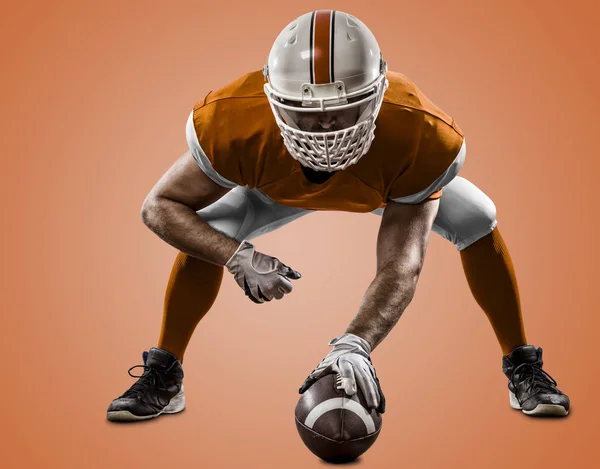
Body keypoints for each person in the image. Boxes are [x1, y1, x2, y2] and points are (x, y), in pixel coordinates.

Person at [106, 10, 569, 422]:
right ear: (271, 100)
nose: (328, 128)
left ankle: (522, 363)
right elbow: (159, 206)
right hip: (271, 188)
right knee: (214, 230)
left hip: (383, 187)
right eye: (306, 113)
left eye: (347, 108)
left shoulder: (419, 133)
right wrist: (236, 256)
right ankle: (165, 373)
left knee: (478, 218)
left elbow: (400, 264)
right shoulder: (234, 121)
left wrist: (356, 344)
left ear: (379, 93)